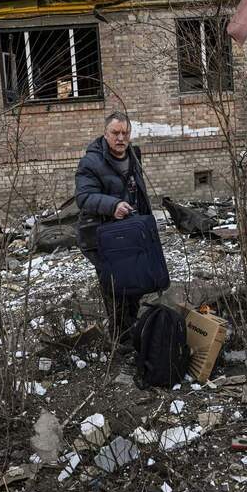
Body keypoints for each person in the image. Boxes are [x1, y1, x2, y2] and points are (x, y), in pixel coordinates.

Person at [75, 111, 152, 352]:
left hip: (132, 233)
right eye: (115, 133)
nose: (121, 138)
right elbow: (84, 197)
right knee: (115, 288)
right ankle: (120, 340)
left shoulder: (134, 155)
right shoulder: (91, 162)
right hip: (103, 236)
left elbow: (138, 192)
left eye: (125, 133)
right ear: (105, 134)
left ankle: (132, 331)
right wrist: (113, 206)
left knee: (137, 283)